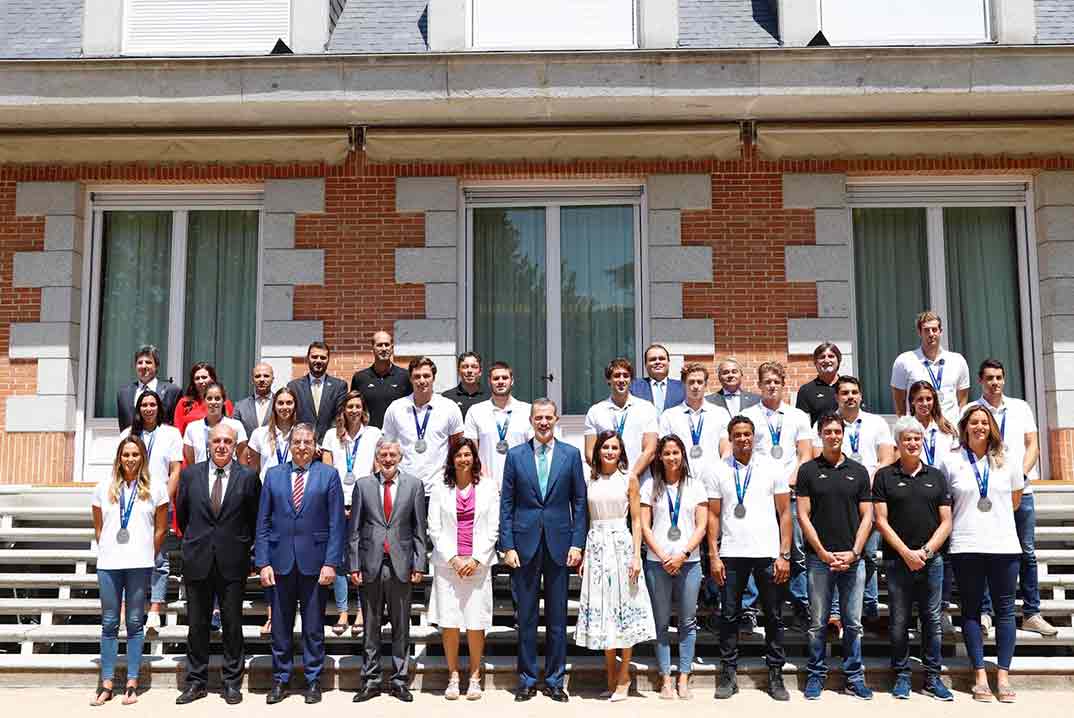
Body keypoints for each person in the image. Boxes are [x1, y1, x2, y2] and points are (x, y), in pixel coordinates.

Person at [500, 398, 587, 703]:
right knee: (525, 617)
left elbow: (579, 502)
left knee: (557, 619)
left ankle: (554, 679)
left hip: (560, 546)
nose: (544, 422)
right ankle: (526, 679)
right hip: (523, 547)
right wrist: (507, 545)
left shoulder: (571, 455)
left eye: (549, 417)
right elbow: (506, 504)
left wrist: (578, 543)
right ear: (531, 420)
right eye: (539, 418)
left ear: (557, 419)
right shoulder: (515, 456)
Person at [255, 423, 346, 705]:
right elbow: (263, 522)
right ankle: (280, 680)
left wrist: (331, 563)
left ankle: (313, 680)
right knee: (280, 627)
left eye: (307, 442)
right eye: (297, 442)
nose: (302, 447)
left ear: (315, 445)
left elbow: (336, 523)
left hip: (315, 563)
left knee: (313, 627)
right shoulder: (273, 476)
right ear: (290, 445)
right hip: (280, 563)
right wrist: (263, 562)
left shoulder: (328, 475)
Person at [174, 423, 262, 706]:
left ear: (235, 445)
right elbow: (184, 516)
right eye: (216, 441)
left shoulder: (248, 478)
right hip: (198, 558)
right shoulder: (190, 475)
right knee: (197, 625)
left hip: (232, 560)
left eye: (227, 441)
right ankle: (196, 682)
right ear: (208, 444)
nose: (222, 446)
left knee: (231, 624)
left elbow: (254, 519)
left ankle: (232, 683)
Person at [941, 405, 1024, 703]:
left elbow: (1015, 500)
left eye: (984, 422)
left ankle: (1002, 675)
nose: (979, 427)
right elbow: (945, 503)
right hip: (966, 544)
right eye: (974, 422)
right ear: (965, 427)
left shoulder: (1008, 458)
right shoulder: (950, 460)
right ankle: (979, 676)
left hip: (1003, 545)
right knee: (972, 611)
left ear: (991, 427)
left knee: (1004, 611)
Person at [969, 359, 1056, 636]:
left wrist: (1019, 475)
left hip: (1021, 492)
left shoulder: (1020, 407)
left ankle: (1031, 612)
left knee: (1026, 553)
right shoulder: (972, 410)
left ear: (1004, 380)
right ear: (980, 381)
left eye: (999, 377)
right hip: (987, 494)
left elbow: (1032, 445)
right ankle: (985, 612)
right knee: (984, 551)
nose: (995, 382)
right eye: (989, 378)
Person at [709, 417, 792, 702]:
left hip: (767, 553)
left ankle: (775, 673)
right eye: (737, 435)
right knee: (729, 615)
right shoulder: (718, 469)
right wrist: (713, 555)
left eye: (747, 434)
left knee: (774, 616)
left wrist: (784, 554)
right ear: (730, 438)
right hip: (731, 554)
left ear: (754, 437)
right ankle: (728, 673)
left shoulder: (772, 467)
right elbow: (713, 516)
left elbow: (785, 514)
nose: (743, 439)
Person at [872, 416, 954, 702]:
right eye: (907, 438)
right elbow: (880, 521)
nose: (912, 443)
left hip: (932, 562)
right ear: (897, 443)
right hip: (897, 561)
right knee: (898, 620)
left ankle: (933, 677)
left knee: (932, 619)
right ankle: (902, 675)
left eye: (917, 438)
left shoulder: (936, 476)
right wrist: (906, 553)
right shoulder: (884, 476)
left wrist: (927, 552)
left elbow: (946, 522)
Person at [796, 413, 874, 701]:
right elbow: (803, 515)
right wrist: (822, 552)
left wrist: (854, 552)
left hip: (853, 560)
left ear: (844, 434)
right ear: (820, 435)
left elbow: (868, 516)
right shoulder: (808, 471)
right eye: (827, 431)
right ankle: (816, 675)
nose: (833, 435)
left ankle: (854, 677)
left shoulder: (859, 471)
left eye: (837, 431)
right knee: (817, 622)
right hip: (819, 559)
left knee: (853, 623)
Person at [575, 431, 655, 701]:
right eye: (605, 447)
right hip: (596, 545)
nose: (610, 452)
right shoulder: (590, 479)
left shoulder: (629, 478)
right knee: (604, 611)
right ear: (597, 451)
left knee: (625, 608)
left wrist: (635, 556)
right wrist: (585, 554)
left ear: (621, 452)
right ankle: (610, 673)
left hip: (621, 546)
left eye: (615, 448)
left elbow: (636, 520)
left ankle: (624, 676)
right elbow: (585, 519)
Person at [90, 436, 169, 706]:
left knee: (135, 623)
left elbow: (161, 529)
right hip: (110, 564)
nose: (130, 459)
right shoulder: (104, 488)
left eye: (135, 454)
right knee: (110, 622)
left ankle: (132, 682)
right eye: (126, 454)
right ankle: (107, 682)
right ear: (119, 458)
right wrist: (109, 549)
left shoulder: (156, 488)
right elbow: (99, 527)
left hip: (139, 563)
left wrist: (148, 553)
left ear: (142, 458)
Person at [811, 375, 894, 632]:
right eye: (844, 392)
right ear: (836, 397)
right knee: (835, 553)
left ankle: (867, 608)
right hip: (837, 498)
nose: (849, 396)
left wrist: (866, 478)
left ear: (860, 396)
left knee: (867, 553)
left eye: (854, 392)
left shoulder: (876, 423)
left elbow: (887, 458)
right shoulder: (827, 423)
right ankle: (835, 612)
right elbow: (818, 457)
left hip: (868, 495)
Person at [349, 439, 429, 703]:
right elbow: (355, 531)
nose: (387, 458)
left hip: (401, 565)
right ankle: (370, 680)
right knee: (370, 627)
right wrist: (354, 565)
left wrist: (419, 564)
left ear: (400, 457)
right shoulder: (362, 485)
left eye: (392, 454)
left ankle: (399, 680)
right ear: (376, 457)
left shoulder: (414, 485)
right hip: (370, 564)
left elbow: (419, 529)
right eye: (383, 454)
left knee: (401, 627)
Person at [741, 361, 814, 628]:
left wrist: (791, 478)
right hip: (758, 492)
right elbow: (744, 453)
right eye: (767, 381)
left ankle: (799, 603)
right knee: (752, 547)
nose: (772, 386)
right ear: (759, 385)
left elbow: (805, 454)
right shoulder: (749, 415)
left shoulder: (798, 417)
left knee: (795, 548)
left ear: (784, 385)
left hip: (791, 490)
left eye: (776, 381)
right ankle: (748, 607)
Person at [427, 438, 500, 700]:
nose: (463, 459)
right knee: (449, 621)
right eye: (458, 455)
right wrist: (453, 559)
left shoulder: (489, 488)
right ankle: (453, 675)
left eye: (468, 454)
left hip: (477, 565)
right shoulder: (439, 487)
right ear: (451, 459)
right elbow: (433, 527)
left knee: (475, 622)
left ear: (475, 458)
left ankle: (475, 676)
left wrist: (476, 559)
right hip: (449, 566)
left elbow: (493, 527)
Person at [640, 435, 708, 701]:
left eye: (676, 452)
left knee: (687, 621)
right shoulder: (649, 487)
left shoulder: (695, 486)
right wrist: (662, 555)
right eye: (666, 453)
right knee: (661, 622)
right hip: (658, 564)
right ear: (659, 457)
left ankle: (683, 677)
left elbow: (701, 525)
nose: (671, 457)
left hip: (689, 563)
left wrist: (682, 553)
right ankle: (666, 678)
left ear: (683, 455)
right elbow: (644, 526)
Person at [119, 390, 182, 630]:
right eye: (144, 405)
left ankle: (155, 609)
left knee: (158, 557)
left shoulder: (170, 433)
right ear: (138, 408)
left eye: (152, 404)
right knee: (128, 557)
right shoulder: (128, 434)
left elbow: (175, 469)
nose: (148, 408)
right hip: (132, 504)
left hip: (159, 502)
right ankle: (127, 608)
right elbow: (119, 468)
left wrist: (164, 497)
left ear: (159, 407)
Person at [320, 390, 381, 635]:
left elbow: (377, 470)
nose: (354, 410)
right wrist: (334, 505)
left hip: (364, 504)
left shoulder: (374, 434)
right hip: (337, 505)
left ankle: (361, 612)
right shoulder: (330, 436)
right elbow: (326, 473)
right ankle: (343, 612)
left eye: (358, 406)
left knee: (362, 560)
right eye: (349, 406)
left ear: (363, 409)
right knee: (341, 561)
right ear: (343, 410)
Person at [908, 379, 961, 634]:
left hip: (943, 497)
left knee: (945, 556)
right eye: (919, 399)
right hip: (916, 497)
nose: (925, 403)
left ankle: (941, 609)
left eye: (929, 399)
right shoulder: (906, 427)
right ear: (912, 403)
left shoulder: (948, 429)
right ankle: (920, 613)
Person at [382, 357, 464, 497]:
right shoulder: (396, 408)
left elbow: (458, 447)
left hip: (439, 488)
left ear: (433, 378)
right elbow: (387, 446)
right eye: (417, 376)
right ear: (410, 379)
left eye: (426, 376)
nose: (422, 380)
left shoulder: (449, 407)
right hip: (404, 489)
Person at [584, 358, 658, 483]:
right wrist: (607, 476)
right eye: (617, 376)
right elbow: (589, 452)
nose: (621, 380)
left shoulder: (646, 408)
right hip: (607, 482)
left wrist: (633, 476)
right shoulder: (595, 411)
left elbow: (650, 449)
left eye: (626, 376)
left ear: (631, 380)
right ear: (608, 380)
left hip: (640, 480)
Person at [890, 310, 970, 426]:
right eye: (926, 330)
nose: (931, 334)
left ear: (941, 331)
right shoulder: (904, 361)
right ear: (919, 332)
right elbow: (899, 404)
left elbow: (962, 401)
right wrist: (908, 427)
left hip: (951, 431)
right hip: (918, 433)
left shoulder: (957, 361)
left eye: (934, 329)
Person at [463, 361, 532, 488]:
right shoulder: (476, 411)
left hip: (521, 486)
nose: (500, 381)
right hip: (486, 486)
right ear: (489, 382)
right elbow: (471, 452)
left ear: (512, 381)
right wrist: (484, 482)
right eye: (496, 378)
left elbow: (534, 451)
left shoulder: (527, 410)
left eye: (505, 378)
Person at [658, 362, 731, 464]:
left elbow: (726, 448)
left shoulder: (720, 414)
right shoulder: (669, 416)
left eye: (699, 382)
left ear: (705, 384)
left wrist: (721, 472)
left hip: (713, 477)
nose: (696, 386)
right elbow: (664, 450)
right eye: (691, 382)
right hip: (681, 477)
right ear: (683, 384)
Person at [287, 342, 348, 444]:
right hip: (303, 446)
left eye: (323, 357)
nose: (318, 360)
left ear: (328, 360)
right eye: (314, 357)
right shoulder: (294, 387)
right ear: (308, 358)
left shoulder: (339, 386)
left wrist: (325, 442)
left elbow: (339, 417)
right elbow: (292, 420)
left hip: (329, 446)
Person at [352, 330, 413, 429]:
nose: (384, 348)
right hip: (368, 437)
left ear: (392, 348)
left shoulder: (405, 377)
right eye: (380, 345)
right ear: (373, 348)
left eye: (387, 345)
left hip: (397, 437)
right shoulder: (360, 378)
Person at [116, 345, 182, 431]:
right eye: (140, 363)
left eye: (148, 362)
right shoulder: (123, 394)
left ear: (156, 366)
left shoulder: (172, 391)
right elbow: (123, 425)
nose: (143, 366)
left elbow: (176, 424)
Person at [182, 383, 247, 466]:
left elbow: (242, 460)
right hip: (201, 477)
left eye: (217, 398)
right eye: (209, 398)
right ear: (204, 400)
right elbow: (191, 462)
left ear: (224, 401)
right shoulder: (192, 428)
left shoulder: (236, 426)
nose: (213, 402)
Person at [244, 387, 298, 481]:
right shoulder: (259, 434)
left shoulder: (301, 435)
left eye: (289, 403)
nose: (285, 407)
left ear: (295, 406)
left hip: (293, 491)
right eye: (280, 403)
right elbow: (254, 470)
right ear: (274, 406)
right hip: (265, 490)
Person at [174, 363, 234, 439]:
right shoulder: (184, 402)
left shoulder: (224, 402)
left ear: (212, 378)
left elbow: (231, 428)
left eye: (204, 377)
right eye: (197, 378)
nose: (201, 381)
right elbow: (178, 432)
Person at [629, 343, 686, 415]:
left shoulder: (682, 387)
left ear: (668, 362)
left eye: (661, 359)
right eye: (652, 359)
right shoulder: (634, 387)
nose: (657, 362)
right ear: (645, 364)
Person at [795, 342, 842, 426]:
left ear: (838, 360)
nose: (827, 360)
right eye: (822, 357)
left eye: (831, 356)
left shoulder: (848, 387)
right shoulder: (806, 391)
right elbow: (802, 425)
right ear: (815, 363)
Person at [231, 362, 275, 438]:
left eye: (266, 376)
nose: (262, 379)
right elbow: (234, 434)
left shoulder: (281, 405)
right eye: (257, 376)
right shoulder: (240, 407)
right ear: (252, 380)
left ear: (272, 379)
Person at [442, 351, 490, 419]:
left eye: (474, 367)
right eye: (465, 367)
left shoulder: (490, 397)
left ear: (480, 371)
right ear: (458, 371)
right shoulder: (447, 398)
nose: (469, 371)